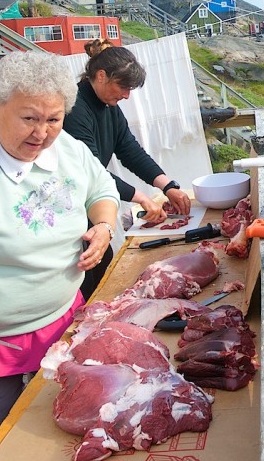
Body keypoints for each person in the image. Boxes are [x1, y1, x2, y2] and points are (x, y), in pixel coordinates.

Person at [0, 51, 119, 451]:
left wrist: (104, 226)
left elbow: (101, 189)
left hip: (64, 320)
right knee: (1, 442)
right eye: (29, 118)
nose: (42, 133)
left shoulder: (68, 149)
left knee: (62, 432)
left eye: (53, 119)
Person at [63, 39, 191, 298]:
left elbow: (130, 151)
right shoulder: (75, 109)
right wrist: (141, 197)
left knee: (101, 261)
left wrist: (168, 186)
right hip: (68, 209)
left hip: (90, 206)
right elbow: (92, 170)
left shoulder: (110, 108)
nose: (126, 95)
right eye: (123, 87)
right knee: (85, 272)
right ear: (101, 76)